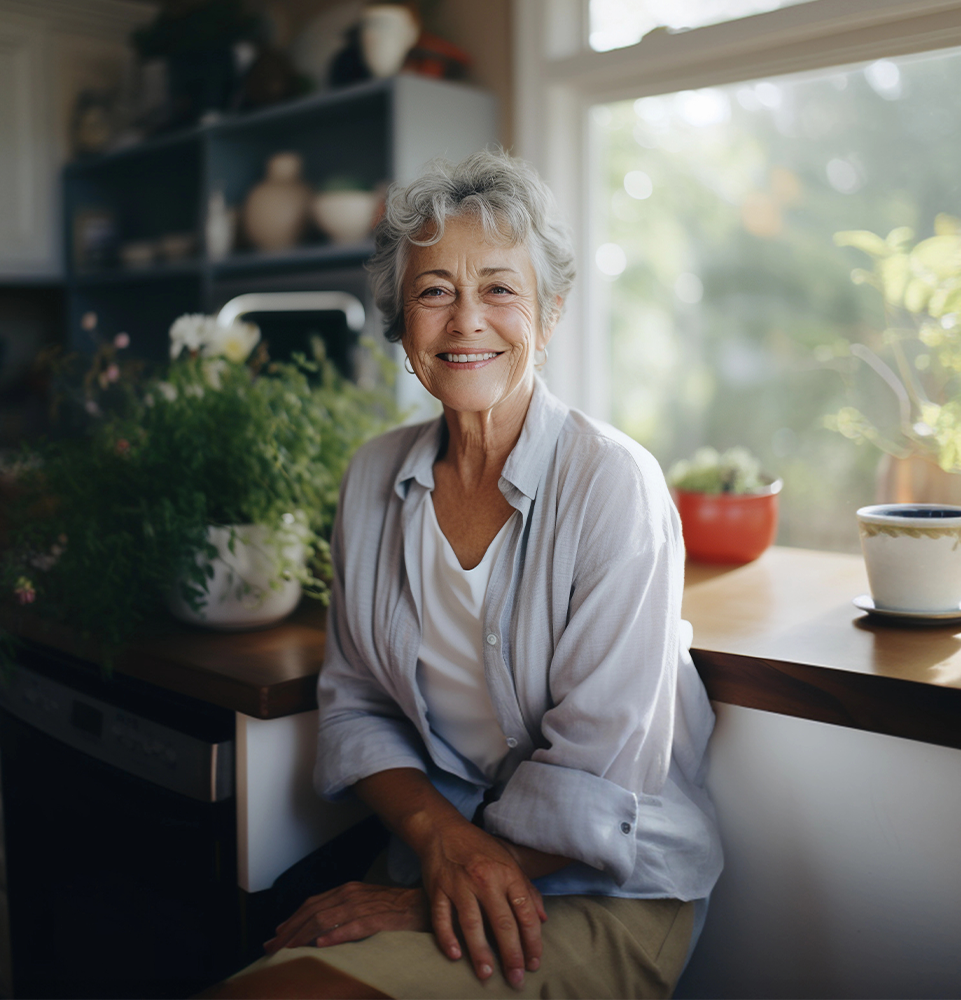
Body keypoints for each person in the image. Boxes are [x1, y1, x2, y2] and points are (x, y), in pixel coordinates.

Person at [202, 149, 722, 1000]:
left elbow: (596, 781)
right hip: (436, 853)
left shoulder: (611, 484)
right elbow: (358, 704)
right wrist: (436, 843)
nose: (464, 320)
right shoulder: (371, 478)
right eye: (434, 290)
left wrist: (421, 892)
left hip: (601, 884)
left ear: (549, 316)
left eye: (499, 289)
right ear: (403, 326)